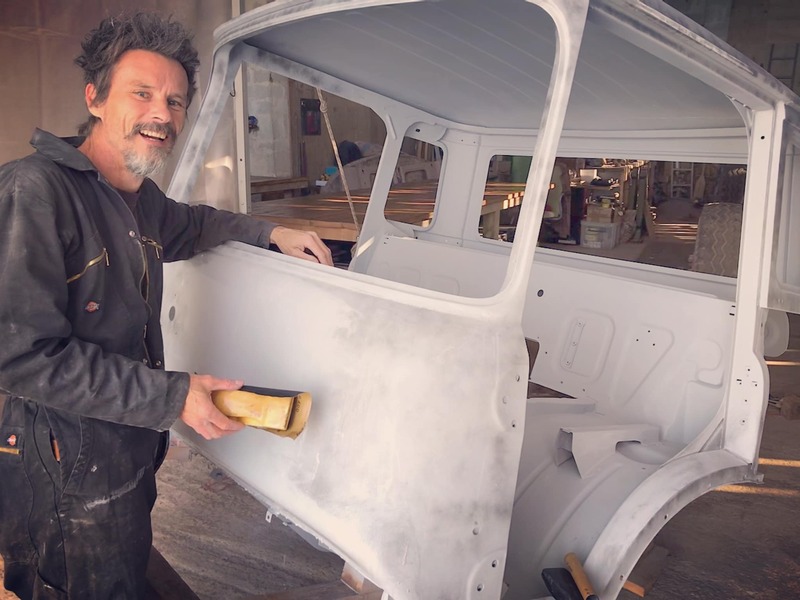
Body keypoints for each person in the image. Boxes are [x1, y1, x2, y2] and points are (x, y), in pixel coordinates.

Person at [0, 12, 332, 599]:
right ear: (95, 98)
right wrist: (174, 395)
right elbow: (20, 357)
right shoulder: (36, 190)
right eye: (143, 93)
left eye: (176, 102)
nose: (162, 114)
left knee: (122, 570)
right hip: (62, 462)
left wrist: (271, 233)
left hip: (123, 446)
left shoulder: (140, 199)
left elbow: (196, 224)